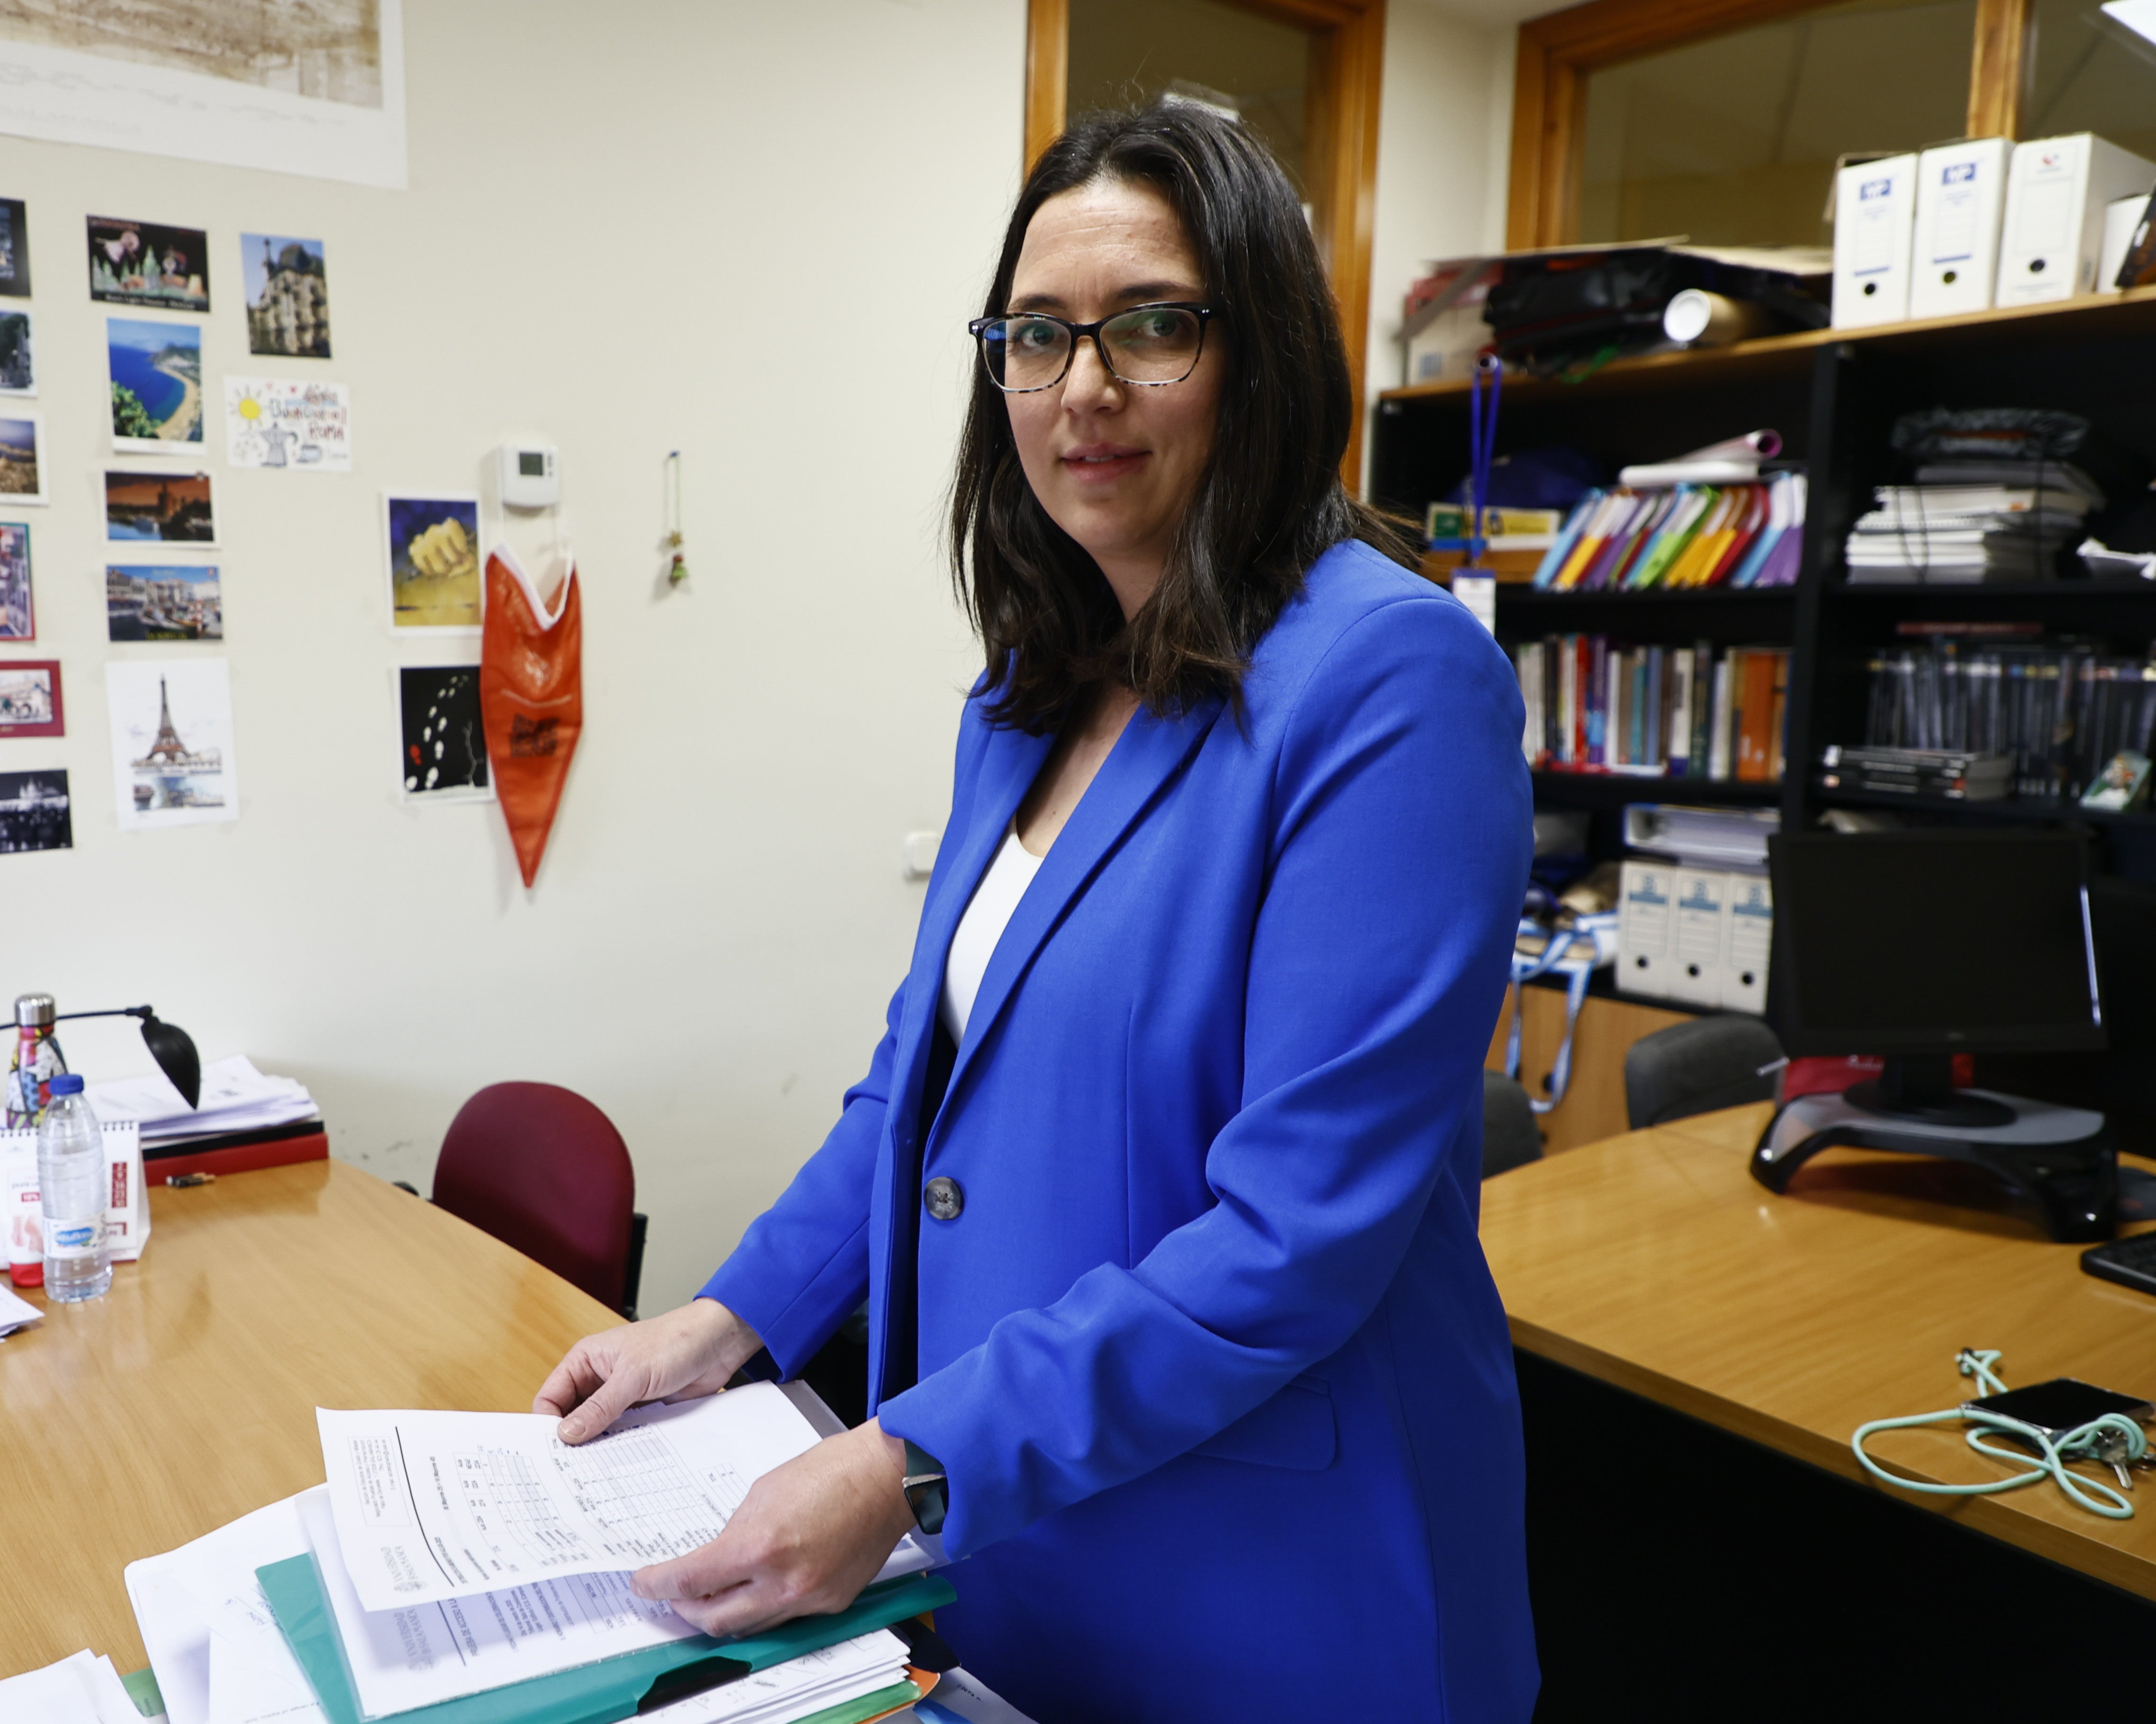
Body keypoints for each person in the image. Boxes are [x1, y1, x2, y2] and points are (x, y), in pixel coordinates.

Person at [535, 100, 1536, 1721]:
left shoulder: (1392, 682)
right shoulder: (1028, 694)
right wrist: (726, 1324)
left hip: (1277, 1580)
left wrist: (908, 1460)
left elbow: (1297, 1238)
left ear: (1260, 353)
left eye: (1153, 327)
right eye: (1036, 336)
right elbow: (910, 1094)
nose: (1084, 388)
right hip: (1026, 1545)